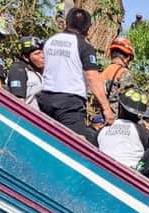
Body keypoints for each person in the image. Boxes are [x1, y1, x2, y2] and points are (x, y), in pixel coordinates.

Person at [38, 8, 113, 143]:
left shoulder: (50, 41)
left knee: (45, 140)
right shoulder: (84, 46)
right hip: (69, 105)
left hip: (45, 99)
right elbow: (93, 78)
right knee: (75, 145)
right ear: (88, 29)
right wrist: (106, 109)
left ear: (67, 22)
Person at [97, 87, 149, 168]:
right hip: (128, 175)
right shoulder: (143, 133)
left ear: (120, 108)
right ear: (140, 115)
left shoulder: (103, 130)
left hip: (101, 171)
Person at [98, 37, 136, 116]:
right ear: (128, 57)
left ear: (112, 54)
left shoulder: (101, 74)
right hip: (116, 123)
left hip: (99, 122)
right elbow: (132, 104)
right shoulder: (124, 73)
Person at [6, 37, 45, 109]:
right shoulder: (18, 70)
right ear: (25, 57)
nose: (42, 56)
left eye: (43, 52)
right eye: (37, 54)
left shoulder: (39, 70)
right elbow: (18, 103)